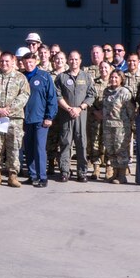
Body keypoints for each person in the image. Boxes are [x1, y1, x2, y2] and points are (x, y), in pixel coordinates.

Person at [0, 52, 30, 188]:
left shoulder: (20, 78)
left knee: (14, 147)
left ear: (13, 61)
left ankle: (12, 175)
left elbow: (24, 95)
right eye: (2, 61)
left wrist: (9, 110)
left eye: (7, 61)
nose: (4, 63)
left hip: (14, 119)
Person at [52, 50, 92, 183]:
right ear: (68, 61)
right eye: (71, 59)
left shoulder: (86, 77)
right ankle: (64, 171)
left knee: (81, 143)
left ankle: (82, 172)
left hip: (81, 115)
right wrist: (69, 108)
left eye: (76, 59)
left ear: (80, 61)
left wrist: (80, 108)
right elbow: (57, 96)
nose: (73, 61)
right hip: (66, 115)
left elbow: (91, 95)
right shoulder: (61, 77)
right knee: (65, 142)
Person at [20, 50, 58, 187]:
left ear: (36, 62)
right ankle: (32, 175)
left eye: (31, 62)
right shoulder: (21, 77)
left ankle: (42, 177)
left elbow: (52, 98)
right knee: (28, 149)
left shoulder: (44, 76)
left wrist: (49, 116)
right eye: (26, 62)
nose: (28, 64)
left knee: (39, 148)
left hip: (40, 119)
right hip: (25, 119)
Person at [100, 70, 135, 184]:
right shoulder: (107, 91)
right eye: (112, 77)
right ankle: (115, 173)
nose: (113, 79)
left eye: (116, 77)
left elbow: (131, 111)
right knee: (111, 150)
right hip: (108, 125)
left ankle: (122, 175)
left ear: (121, 79)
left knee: (121, 150)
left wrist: (132, 125)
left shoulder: (124, 92)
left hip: (121, 126)